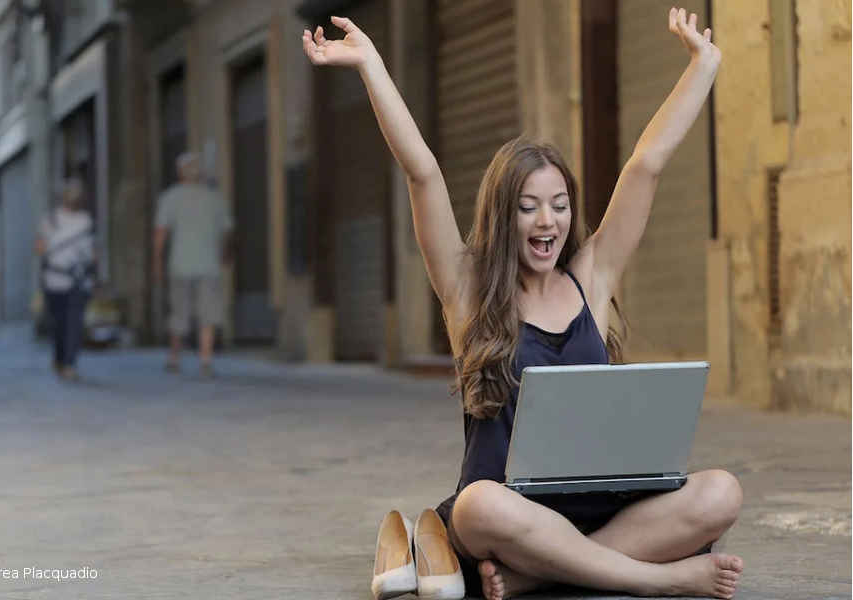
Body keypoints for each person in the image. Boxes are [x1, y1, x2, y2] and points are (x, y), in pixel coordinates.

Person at [303, 7, 744, 600]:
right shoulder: (470, 291)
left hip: (604, 509)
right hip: (512, 516)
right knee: (479, 505)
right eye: (529, 206)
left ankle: (538, 575)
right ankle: (656, 579)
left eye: (560, 204)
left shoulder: (592, 278)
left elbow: (646, 164)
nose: (548, 221)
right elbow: (423, 172)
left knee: (722, 491)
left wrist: (703, 66)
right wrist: (370, 64)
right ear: (502, 214)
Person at [153, 152, 233, 376]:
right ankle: (205, 360)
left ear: (179, 173)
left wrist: (157, 263)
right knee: (208, 312)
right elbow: (227, 233)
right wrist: (226, 255)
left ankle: (174, 358)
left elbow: (160, 234)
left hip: (180, 264)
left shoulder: (170, 197)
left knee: (179, 311)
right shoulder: (214, 198)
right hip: (209, 264)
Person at [35, 179, 95, 381]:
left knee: (69, 323)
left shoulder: (51, 219)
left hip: (62, 279)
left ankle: (66, 362)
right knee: (65, 324)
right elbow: (93, 253)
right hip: (69, 279)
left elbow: (39, 249)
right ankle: (63, 361)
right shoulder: (85, 220)